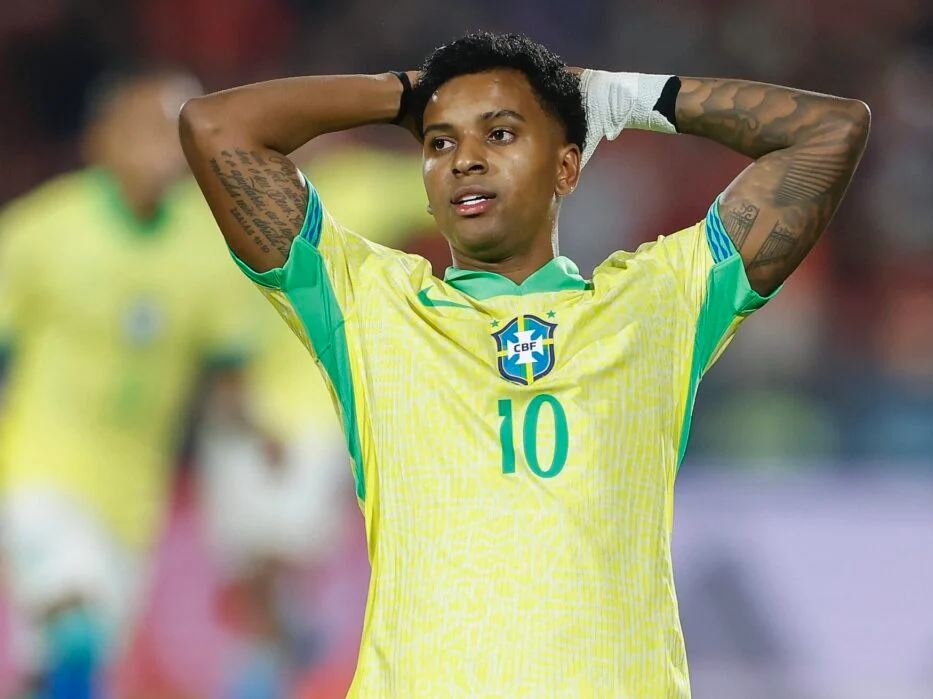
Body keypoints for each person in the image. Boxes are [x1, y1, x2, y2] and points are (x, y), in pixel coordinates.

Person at [179, 31, 870, 698]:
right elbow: (215, 127)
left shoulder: (656, 303)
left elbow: (830, 132)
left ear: (567, 167)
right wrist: (411, 93)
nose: (465, 159)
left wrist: (623, 98)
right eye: (440, 142)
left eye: (500, 133)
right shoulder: (368, 306)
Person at [0, 70, 251, 699]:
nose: (162, 150)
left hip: (135, 497)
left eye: (175, 136)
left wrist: (254, 430)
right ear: (101, 139)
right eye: (145, 131)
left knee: (65, 667)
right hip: (42, 470)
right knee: (75, 633)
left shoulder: (207, 250)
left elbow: (227, 366)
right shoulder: (42, 229)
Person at [193, 140, 434, 699]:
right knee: (250, 570)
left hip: (316, 415)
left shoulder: (364, 184)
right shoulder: (231, 197)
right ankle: (278, 659)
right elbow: (208, 319)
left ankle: (269, 669)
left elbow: (448, 189)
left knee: (284, 558)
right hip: (238, 416)